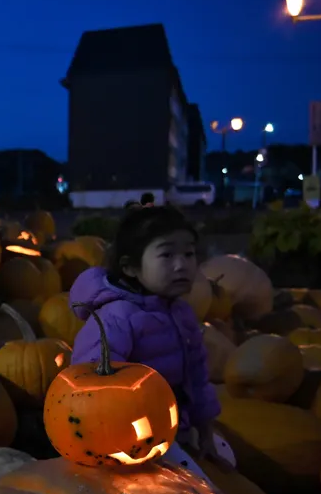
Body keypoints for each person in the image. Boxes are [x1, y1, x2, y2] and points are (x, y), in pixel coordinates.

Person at [67, 205, 233, 479]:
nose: (181, 265)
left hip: (177, 423)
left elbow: (197, 376)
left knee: (227, 462)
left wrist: (205, 427)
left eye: (188, 254)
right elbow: (93, 388)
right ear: (131, 267)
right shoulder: (116, 318)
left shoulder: (182, 313)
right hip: (135, 436)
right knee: (199, 486)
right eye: (167, 255)